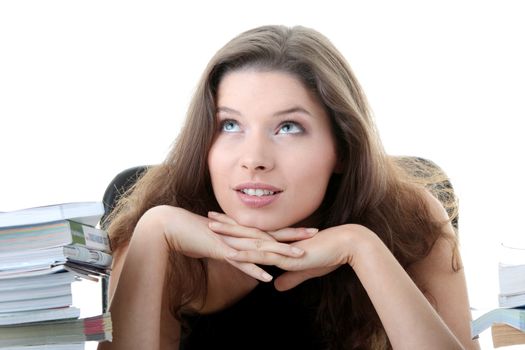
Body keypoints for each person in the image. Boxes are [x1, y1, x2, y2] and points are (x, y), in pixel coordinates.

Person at [98, 25, 479, 349]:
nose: (253, 159)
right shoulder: (153, 228)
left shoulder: (411, 218)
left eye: (288, 127)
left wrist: (361, 248)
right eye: (230, 125)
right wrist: (154, 232)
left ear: (343, 148)